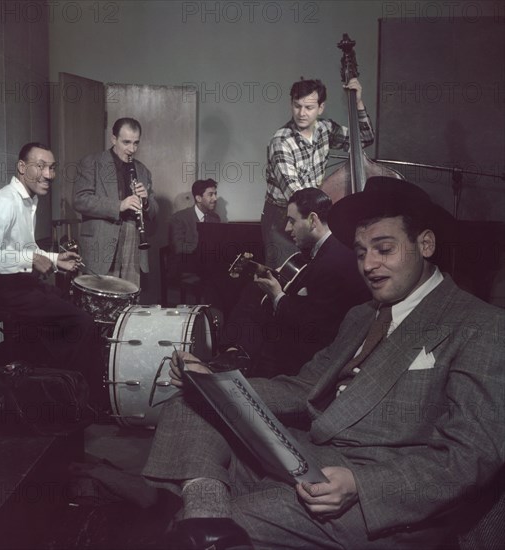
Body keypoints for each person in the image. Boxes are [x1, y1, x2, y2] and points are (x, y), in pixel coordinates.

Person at [142, 176, 505, 550]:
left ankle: (207, 524)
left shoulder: (482, 326)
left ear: (425, 243)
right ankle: (207, 520)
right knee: (191, 404)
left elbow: (469, 458)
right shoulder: (362, 315)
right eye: (362, 252)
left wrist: (361, 487)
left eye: (384, 249)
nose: (370, 265)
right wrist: (216, 383)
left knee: (218, 523)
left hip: (380, 494)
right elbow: (303, 389)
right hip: (310, 456)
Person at [0, 142, 98, 382]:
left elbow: (26, 248)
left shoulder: (28, 200)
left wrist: (56, 260)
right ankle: (73, 390)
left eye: (52, 168)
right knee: (81, 322)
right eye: (41, 166)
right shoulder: (4, 202)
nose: (48, 175)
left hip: (22, 286)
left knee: (74, 306)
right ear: (22, 167)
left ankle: (46, 379)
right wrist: (30, 259)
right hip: (4, 291)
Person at [221, 187, 369, 377]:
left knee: (256, 311)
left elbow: (312, 326)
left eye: (292, 220)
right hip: (316, 335)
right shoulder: (329, 250)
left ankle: (239, 361)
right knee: (252, 294)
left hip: (316, 353)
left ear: (313, 220)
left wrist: (277, 296)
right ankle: (236, 355)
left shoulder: (330, 262)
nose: (287, 228)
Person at [262, 77, 375, 268]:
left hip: (311, 214)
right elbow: (296, 197)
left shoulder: (325, 129)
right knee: (288, 277)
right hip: (283, 218)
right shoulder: (281, 141)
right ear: (291, 104)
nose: (302, 113)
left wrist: (358, 102)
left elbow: (364, 138)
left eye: (309, 107)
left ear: (321, 108)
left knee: (317, 272)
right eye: (297, 106)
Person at [73, 117, 158, 288]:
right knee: (99, 298)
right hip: (102, 237)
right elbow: (80, 200)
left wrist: (146, 201)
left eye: (135, 143)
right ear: (113, 139)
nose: (131, 149)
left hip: (133, 239)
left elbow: (155, 211)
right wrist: (119, 205)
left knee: (129, 295)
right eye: (126, 142)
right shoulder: (92, 162)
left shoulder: (142, 170)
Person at [167, 178, 220, 279]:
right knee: (215, 274)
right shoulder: (179, 218)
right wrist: (204, 250)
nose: (215, 198)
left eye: (215, 194)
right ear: (198, 198)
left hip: (208, 263)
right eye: (210, 194)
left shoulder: (215, 218)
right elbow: (179, 247)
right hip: (184, 264)